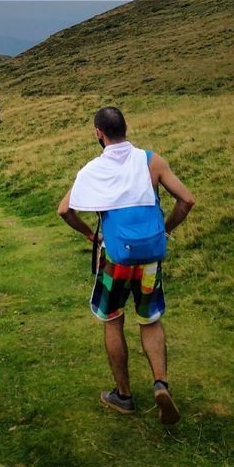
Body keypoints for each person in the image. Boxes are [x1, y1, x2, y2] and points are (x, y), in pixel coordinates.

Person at [56, 106, 195, 424]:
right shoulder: (151, 161)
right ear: (126, 128)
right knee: (150, 320)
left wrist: (92, 235)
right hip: (149, 259)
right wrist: (166, 229)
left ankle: (124, 396)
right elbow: (187, 200)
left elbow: (64, 210)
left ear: (98, 134)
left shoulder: (92, 169)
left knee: (113, 320)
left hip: (115, 260)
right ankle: (160, 383)